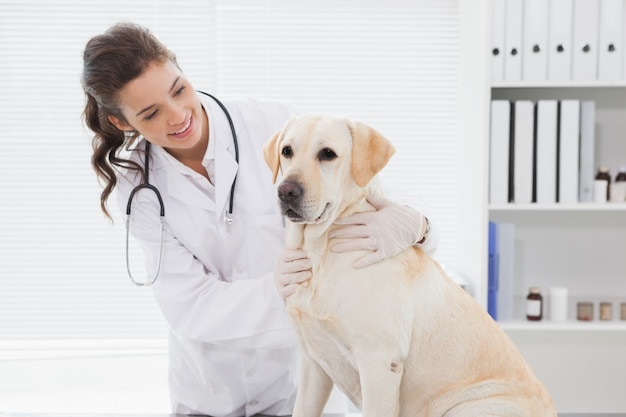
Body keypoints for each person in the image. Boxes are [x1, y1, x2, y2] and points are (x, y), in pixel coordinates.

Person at [81, 21, 438, 417]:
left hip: (303, 387)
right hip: (209, 395)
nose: (179, 115)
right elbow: (189, 306)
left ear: (181, 69)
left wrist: (420, 226)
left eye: (179, 89)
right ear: (122, 123)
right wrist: (279, 290)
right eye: (151, 113)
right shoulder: (140, 189)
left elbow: (368, 187)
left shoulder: (275, 125)